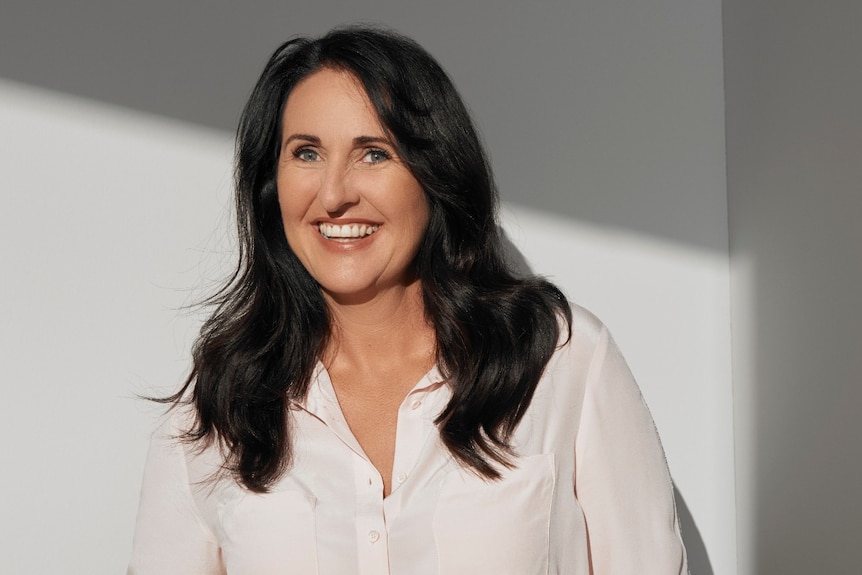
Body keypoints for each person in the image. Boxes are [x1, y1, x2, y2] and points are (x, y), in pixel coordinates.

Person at [128, 25, 688, 574]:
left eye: (374, 153)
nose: (334, 194)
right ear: (271, 182)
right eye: (305, 153)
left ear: (434, 172)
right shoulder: (220, 400)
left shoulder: (559, 359)